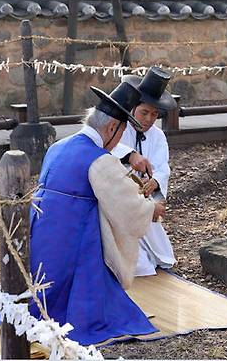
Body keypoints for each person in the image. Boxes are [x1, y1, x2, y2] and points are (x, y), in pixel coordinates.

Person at [26, 82, 165, 345]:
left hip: (42, 237)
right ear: (112, 128)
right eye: (122, 131)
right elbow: (127, 207)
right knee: (93, 305)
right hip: (74, 240)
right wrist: (152, 208)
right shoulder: (99, 160)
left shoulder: (58, 146)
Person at [113, 67, 177, 277]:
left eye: (154, 114)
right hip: (122, 203)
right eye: (144, 112)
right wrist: (131, 155)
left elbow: (162, 166)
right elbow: (109, 153)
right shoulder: (119, 129)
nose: (149, 119)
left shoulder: (158, 137)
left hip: (145, 199)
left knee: (161, 256)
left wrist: (156, 182)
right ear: (133, 109)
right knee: (140, 267)